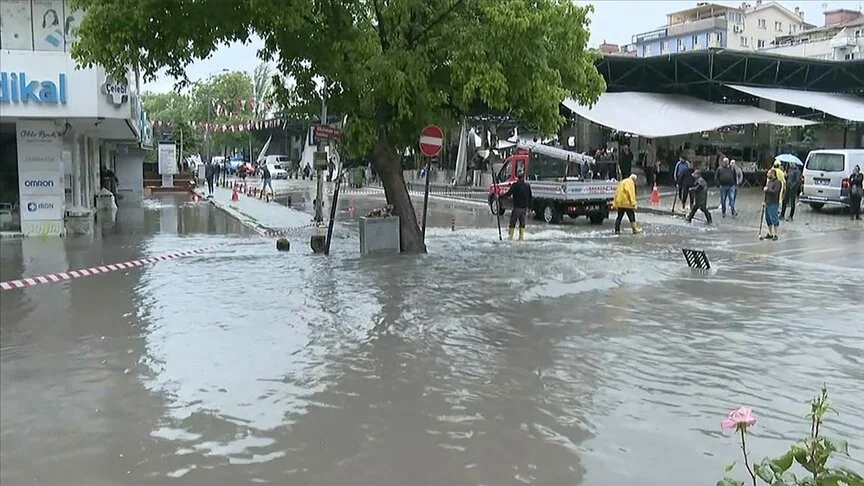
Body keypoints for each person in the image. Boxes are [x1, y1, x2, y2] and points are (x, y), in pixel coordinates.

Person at [499, 171, 532, 241]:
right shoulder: (527, 186)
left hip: (517, 207)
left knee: (513, 222)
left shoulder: (515, 185)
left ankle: (510, 236)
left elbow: (508, 194)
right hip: (524, 208)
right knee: (522, 223)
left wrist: (500, 196)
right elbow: (530, 197)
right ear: (524, 178)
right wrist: (529, 207)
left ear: (518, 178)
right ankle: (521, 237)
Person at [763, 169, 782, 240]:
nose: (767, 175)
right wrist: (764, 201)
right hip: (767, 202)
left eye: (769, 174)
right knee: (768, 218)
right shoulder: (769, 182)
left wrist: (767, 190)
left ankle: (776, 234)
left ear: (773, 174)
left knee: (774, 218)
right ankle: (770, 233)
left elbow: (775, 191)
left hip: (774, 202)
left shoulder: (778, 182)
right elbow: (766, 193)